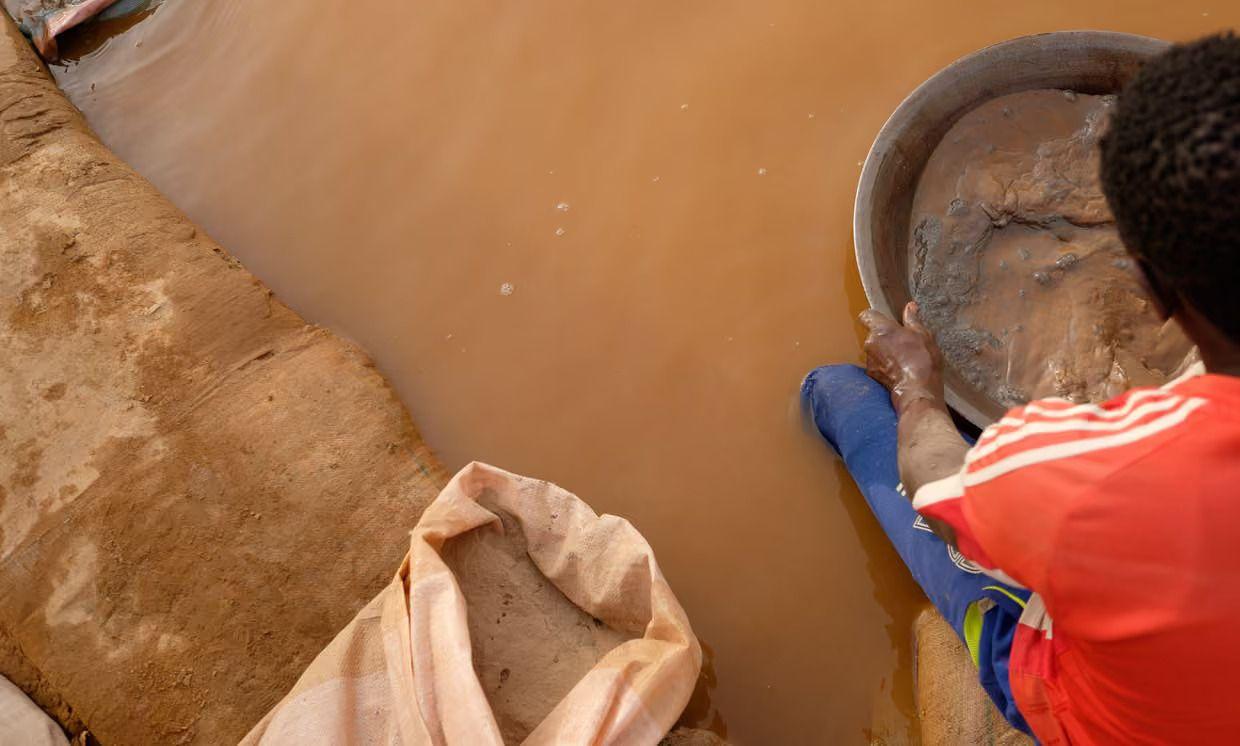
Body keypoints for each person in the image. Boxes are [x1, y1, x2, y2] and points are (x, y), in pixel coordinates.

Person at [810, 32, 1240, 744]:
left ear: (1152, 288)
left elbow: (939, 484)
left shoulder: (1090, 475)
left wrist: (917, 387)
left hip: (1108, 716)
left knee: (838, 394)